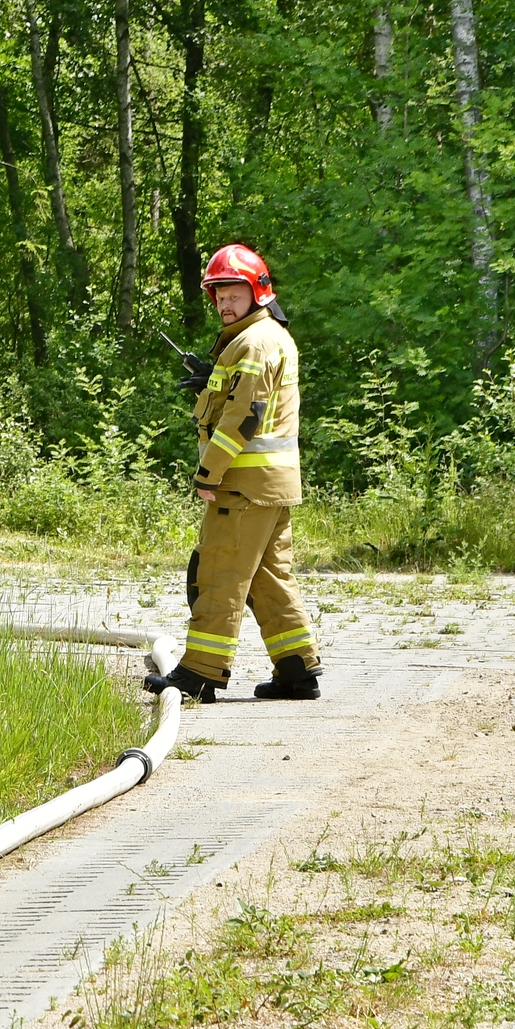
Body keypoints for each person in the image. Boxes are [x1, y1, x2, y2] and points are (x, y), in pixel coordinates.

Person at [144, 244, 322, 703]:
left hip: (242, 485)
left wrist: (209, 473)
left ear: (258, 292)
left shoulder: (253, 342)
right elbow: (249, 400)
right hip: (272, 486)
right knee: (269, 579)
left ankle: (199, 674)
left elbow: (245, 417)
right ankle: (297, 670)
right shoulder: (265, 337)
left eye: (233, 294)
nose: (224, 303)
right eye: (219, 295)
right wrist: (212, 381)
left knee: (219, 574)